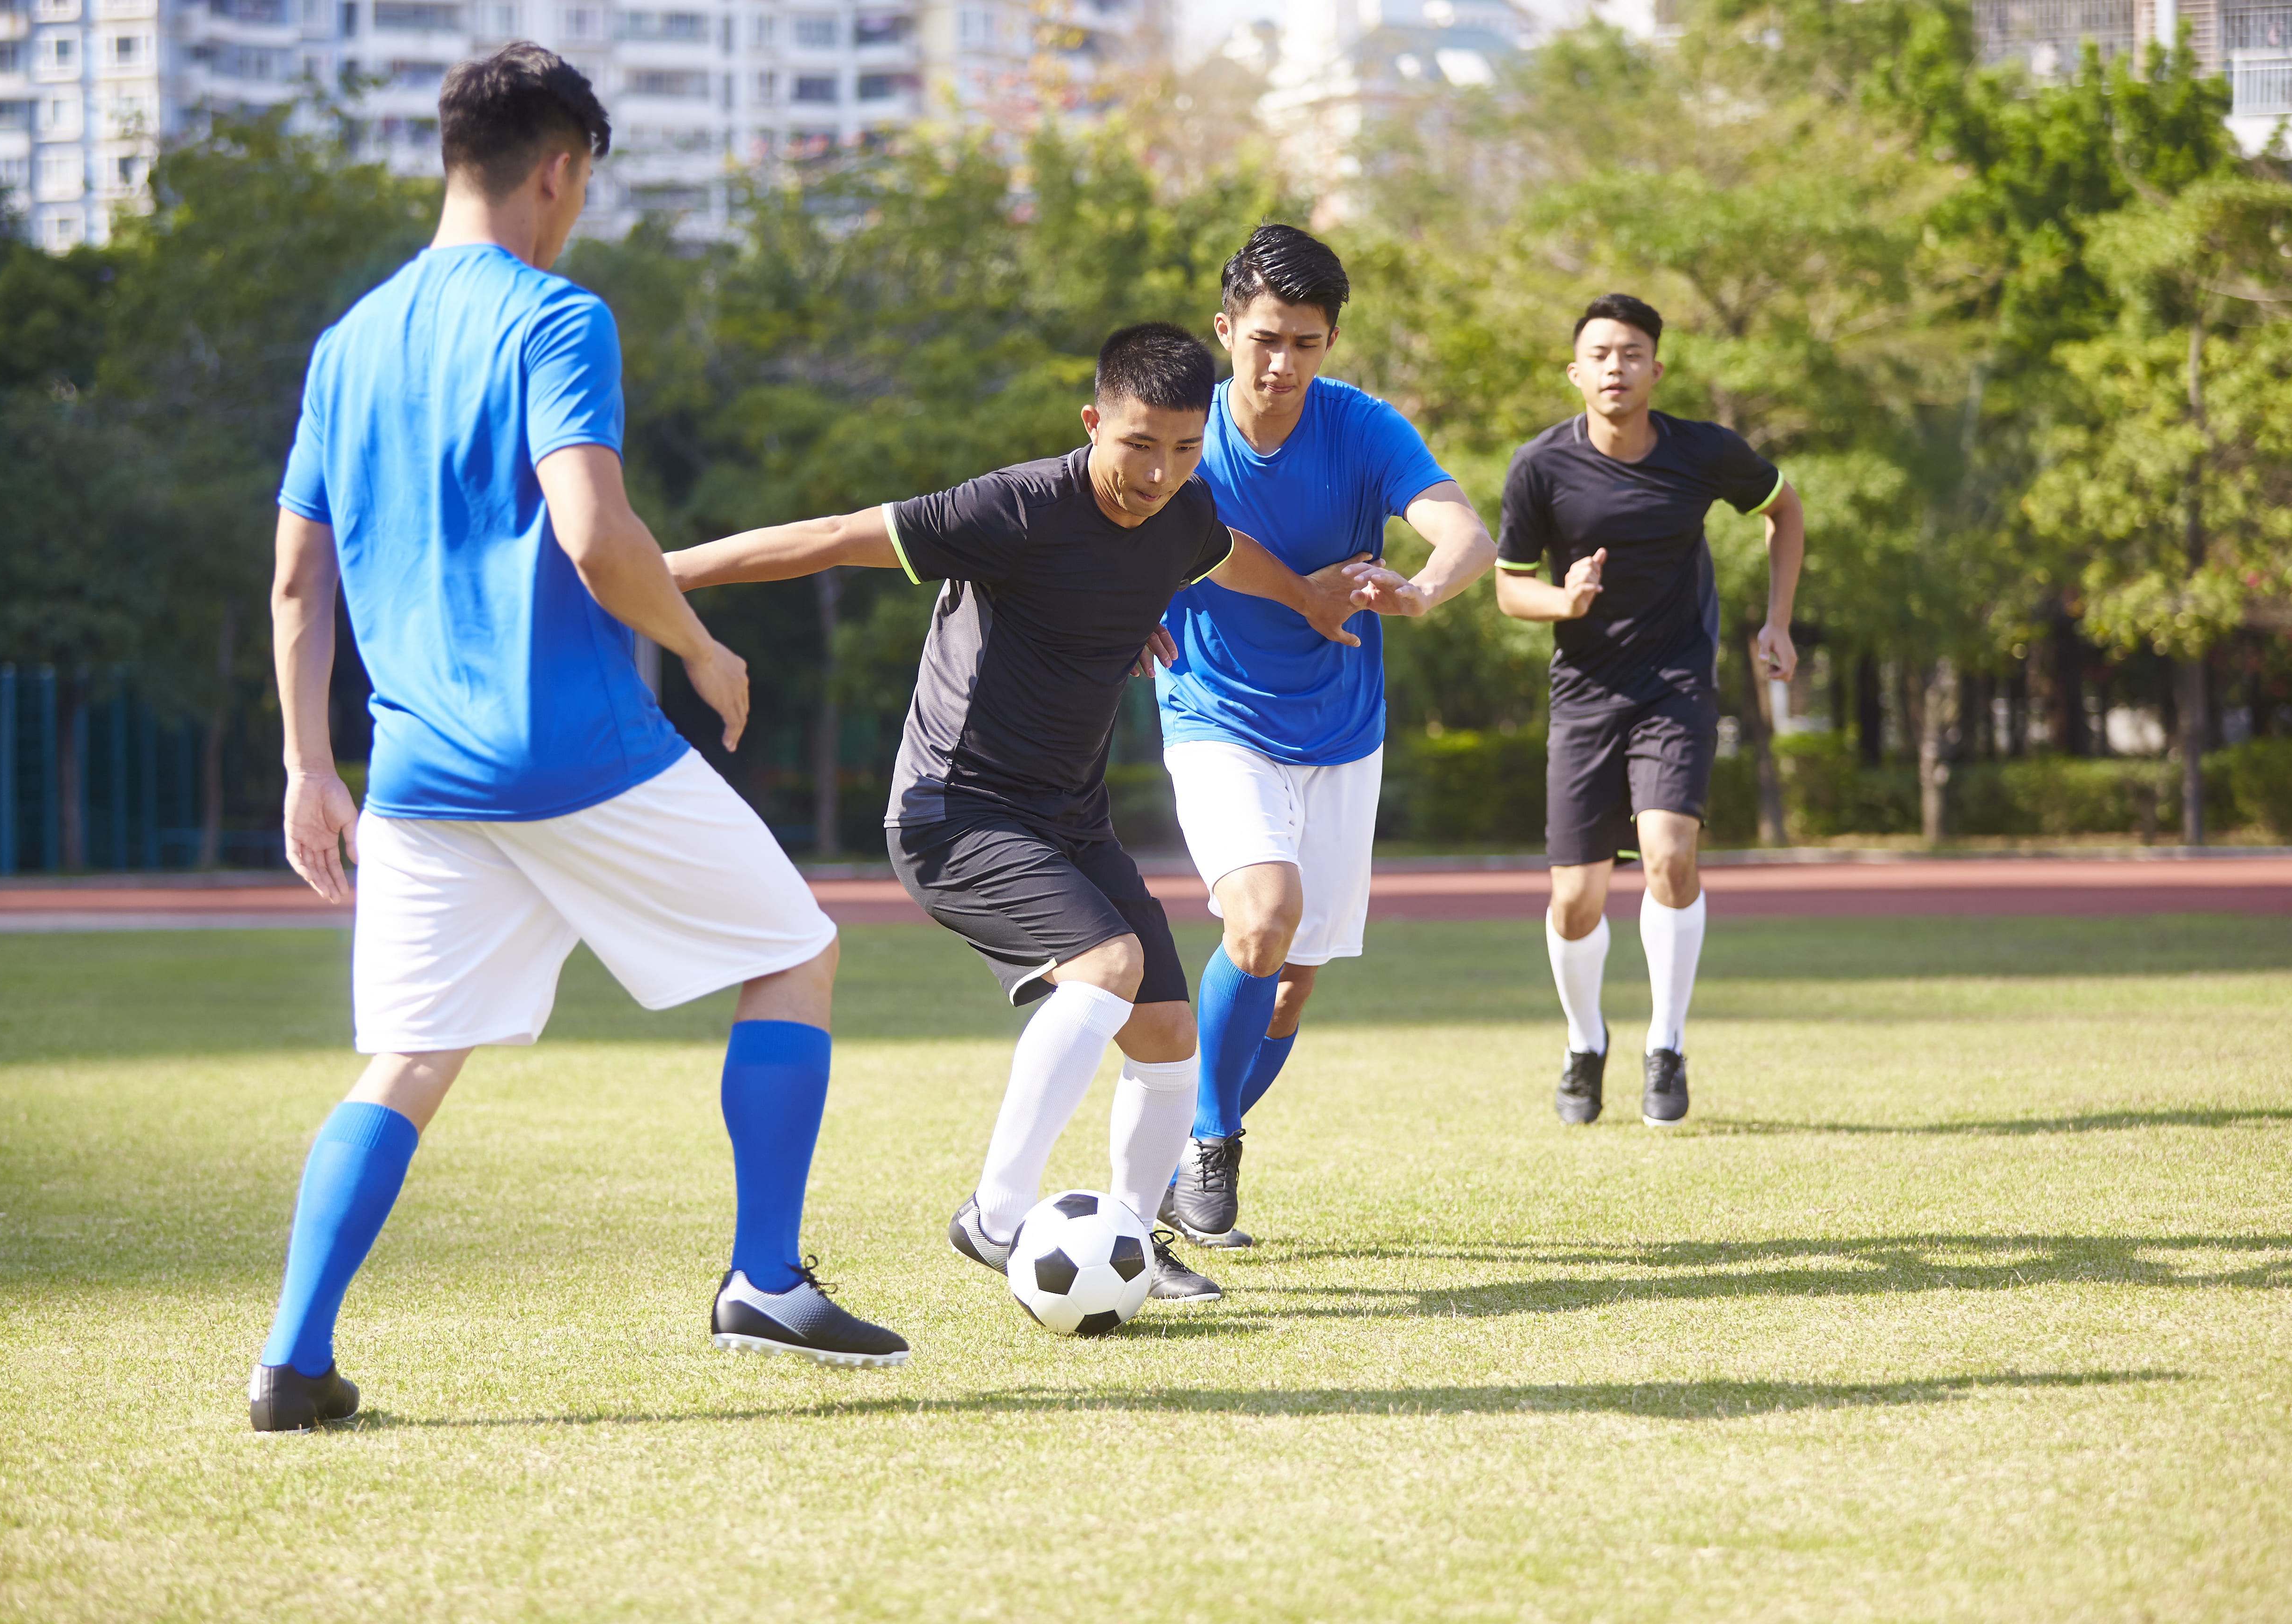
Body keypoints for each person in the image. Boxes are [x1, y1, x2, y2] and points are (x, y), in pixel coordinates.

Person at [256, 44, 904, 1433]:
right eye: (585, 185)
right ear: (559, 170)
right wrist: (698, 642)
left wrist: (313, 768)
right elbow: (595, 531)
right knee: (796, 953)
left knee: (412, 1062)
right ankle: (765, 1278)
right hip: (573, 749)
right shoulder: (558, 318)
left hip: (417, 773)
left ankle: (294, 1365)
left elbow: (299, 582)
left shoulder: (348, 345)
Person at [662, 322, 1374, 1306]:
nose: (1161, 472)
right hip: (956, 813)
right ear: (1093, 423)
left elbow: (1225, 549)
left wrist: (1301, 598)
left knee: (1168, 1037)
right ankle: (995, 1217)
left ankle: (1129, 1242)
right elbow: (825, 539)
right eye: (1137, 445)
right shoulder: (1014, 508)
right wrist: (650, 576)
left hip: (1071, 821)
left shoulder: (1181, 515)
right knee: (1108, 969)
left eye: (1182, 447)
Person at [1153, 224, 1501, 1248]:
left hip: (1344, 728)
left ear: (1330, 342)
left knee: (1293, 979)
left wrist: (1429, 589)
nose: (1282, 363)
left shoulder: (1362, 426)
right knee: (1260, 921)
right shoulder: (1185, 428)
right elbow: (1120, 524)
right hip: (1216, 715)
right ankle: (1211, 1140)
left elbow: (1463, 529)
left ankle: (1186, 1153)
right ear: (1225, 330)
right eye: (1265, 338)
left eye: (1307, 342)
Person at [1494, 292, 1806, 1127]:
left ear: (1655, 369)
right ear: (1576, 372)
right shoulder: (1540, 467)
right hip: (1585, 694)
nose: (1615, 368)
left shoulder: (1703, 452)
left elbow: (1784, 509)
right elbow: (1507, 588)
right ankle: (1584, 1042)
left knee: (1669, 855)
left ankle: (1665, 1046)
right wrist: (1564, 601)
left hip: (1676, 683)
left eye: (1631, 354)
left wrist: (1777, 621)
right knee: (1577, 899)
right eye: (1599, 354)